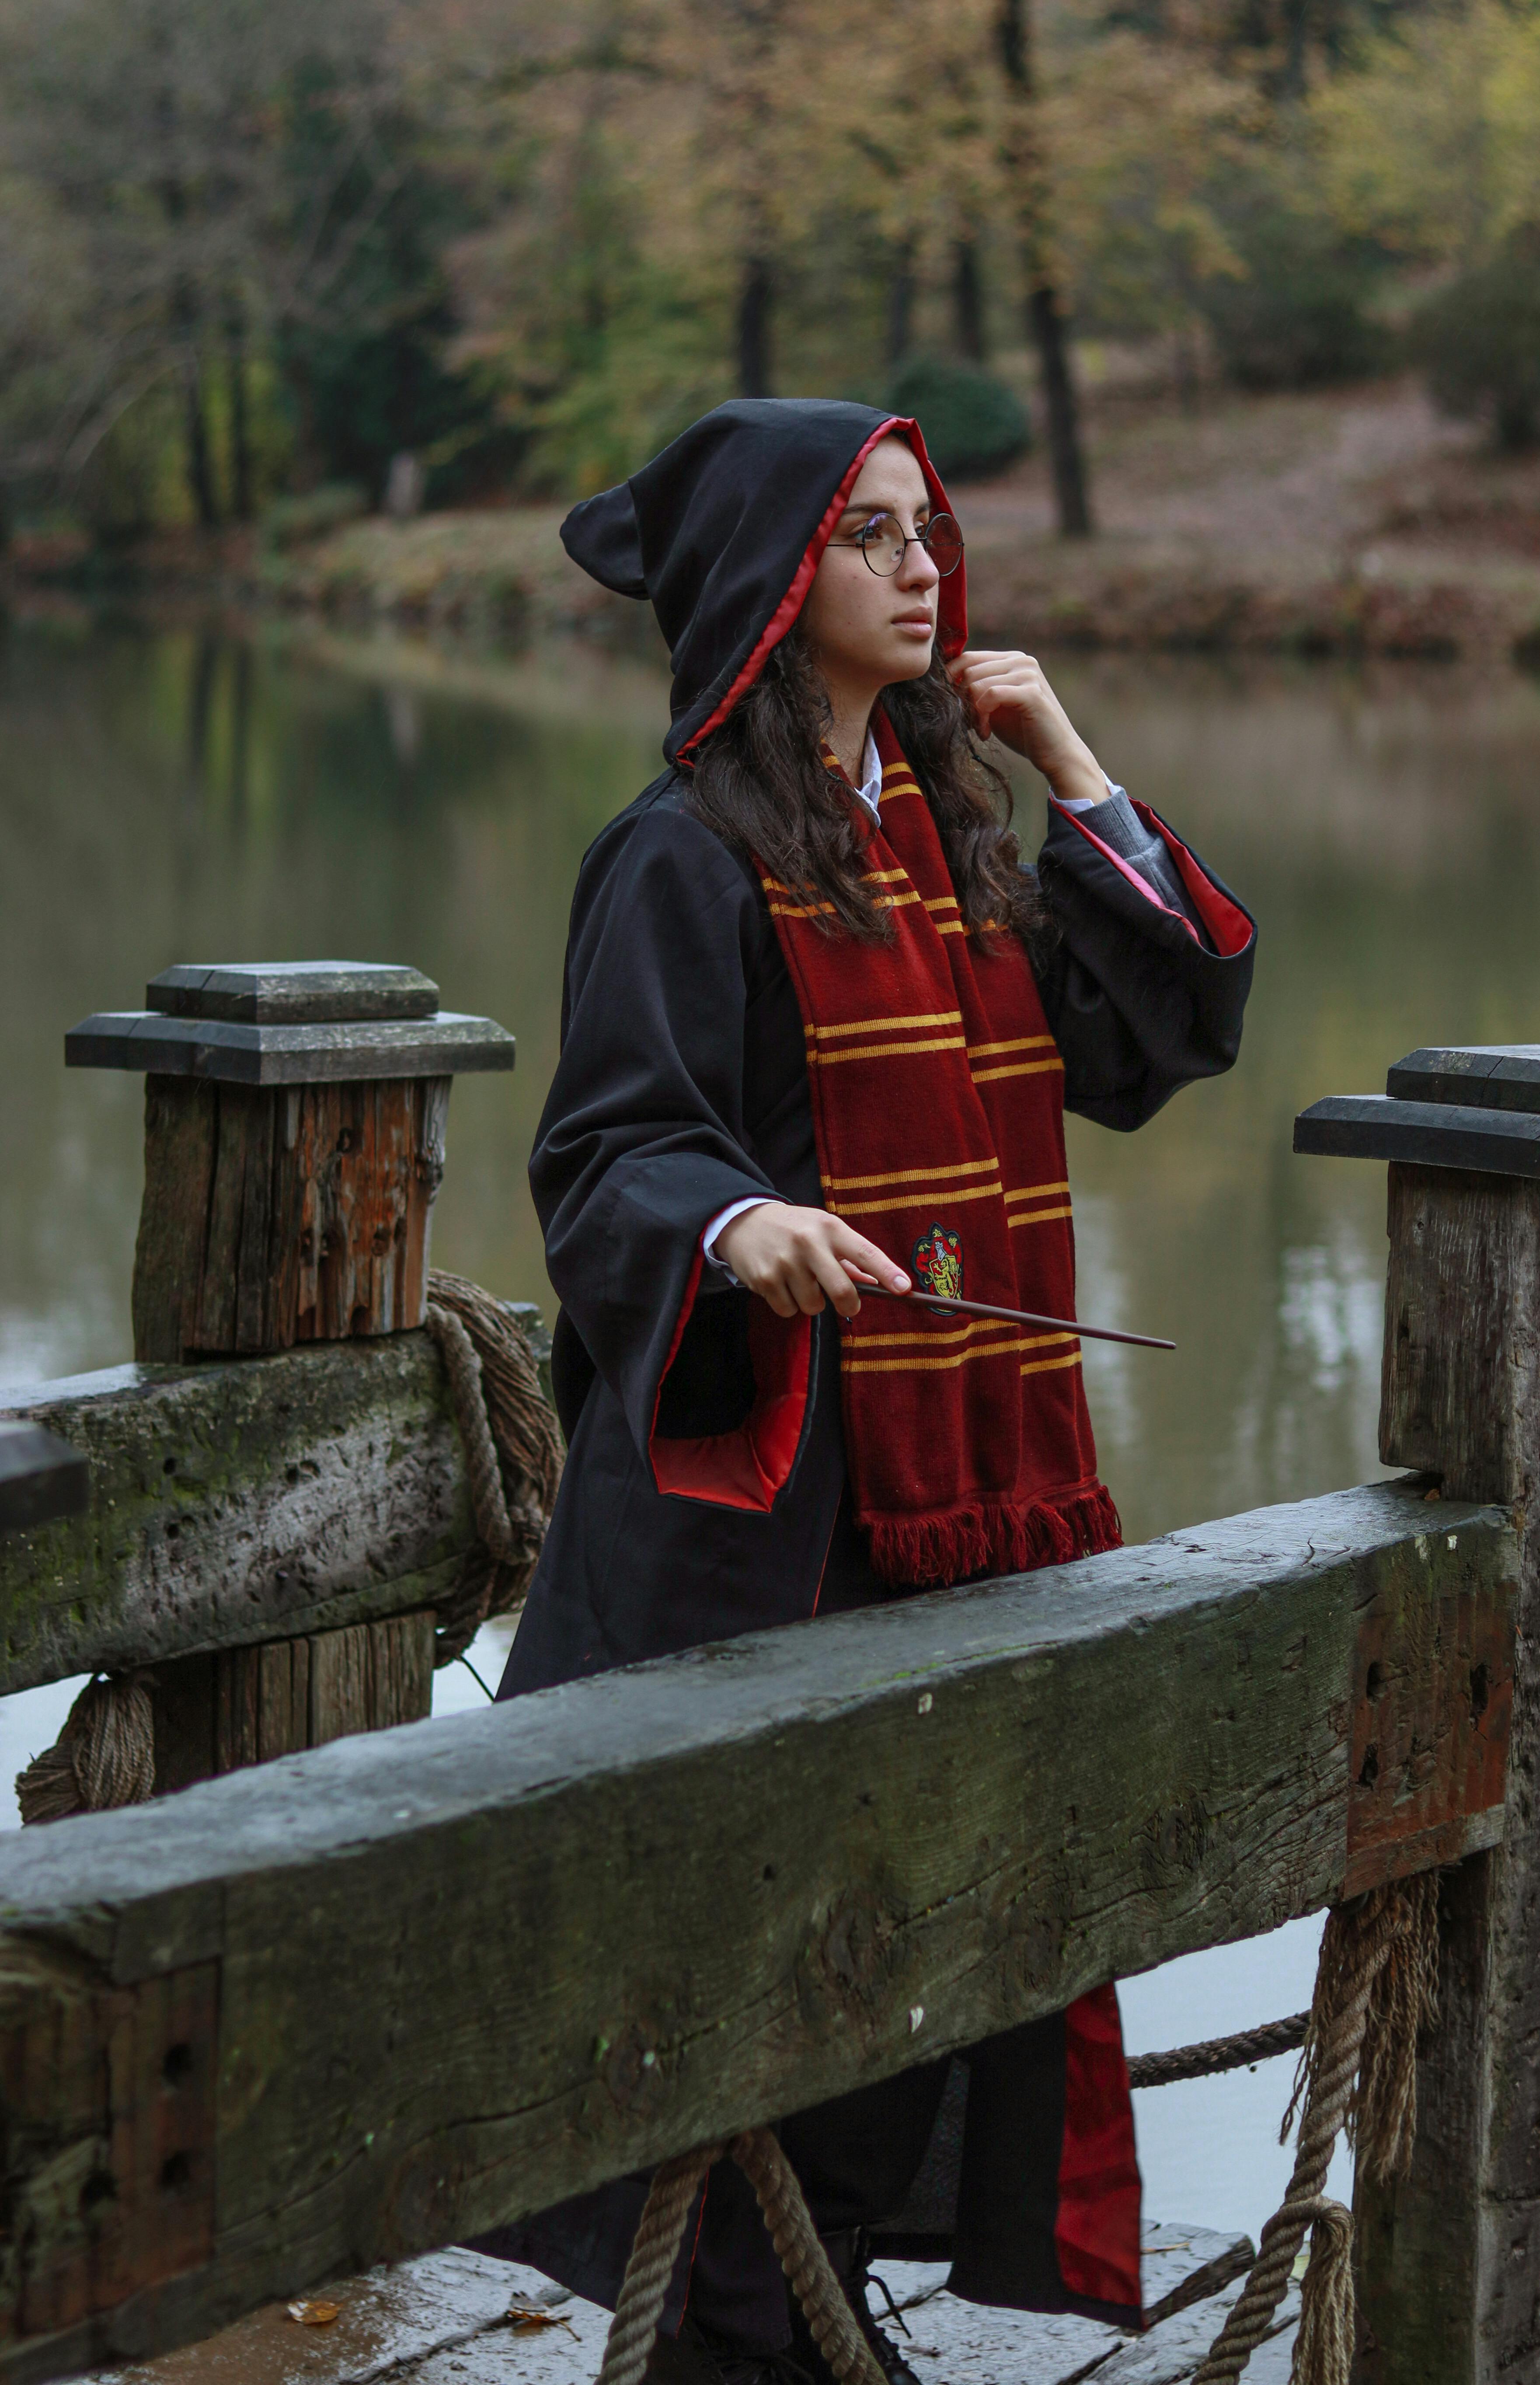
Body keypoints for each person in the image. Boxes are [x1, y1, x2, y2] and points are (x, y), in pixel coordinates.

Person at [479, 397, 1256, 2384]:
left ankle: (792, 2338)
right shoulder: (675, 854)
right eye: (874, 537)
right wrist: (736, 1232)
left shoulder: (948, 836)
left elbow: (1159, 1031)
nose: (927, 570)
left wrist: (1065, 760)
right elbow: (606, 1155)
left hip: (972, 1513)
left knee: (896, 1969)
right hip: (775, 1533)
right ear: (771, 582)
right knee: (739, 1985)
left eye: (931, 532)